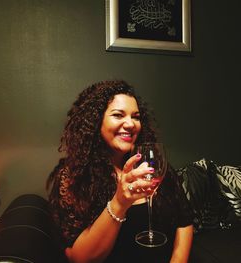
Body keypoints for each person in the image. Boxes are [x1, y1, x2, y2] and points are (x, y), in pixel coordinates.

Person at [47, 80, 194, 263]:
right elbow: (78, 258)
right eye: (118, 115)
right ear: (95, 122)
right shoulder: (74, 177)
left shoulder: (153, 166)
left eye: (136, 116)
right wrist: (119, 202)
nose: (131, 124)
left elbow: (185, 220)